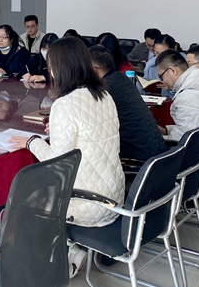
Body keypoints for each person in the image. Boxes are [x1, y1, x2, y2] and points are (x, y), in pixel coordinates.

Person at [12, 36, 124, 229]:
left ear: (57, 69)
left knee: (22, 201)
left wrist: (32, 142)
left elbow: (57, 163)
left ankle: (58, 247)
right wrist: (58, 127)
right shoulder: (104, 94)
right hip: (114, 197)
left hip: (86, 202)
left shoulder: (65, 104)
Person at [90, 45, 166, 162]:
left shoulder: (104, 89)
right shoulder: (122, 79)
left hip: (137, 159)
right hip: (157, 154)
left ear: (94, 69)